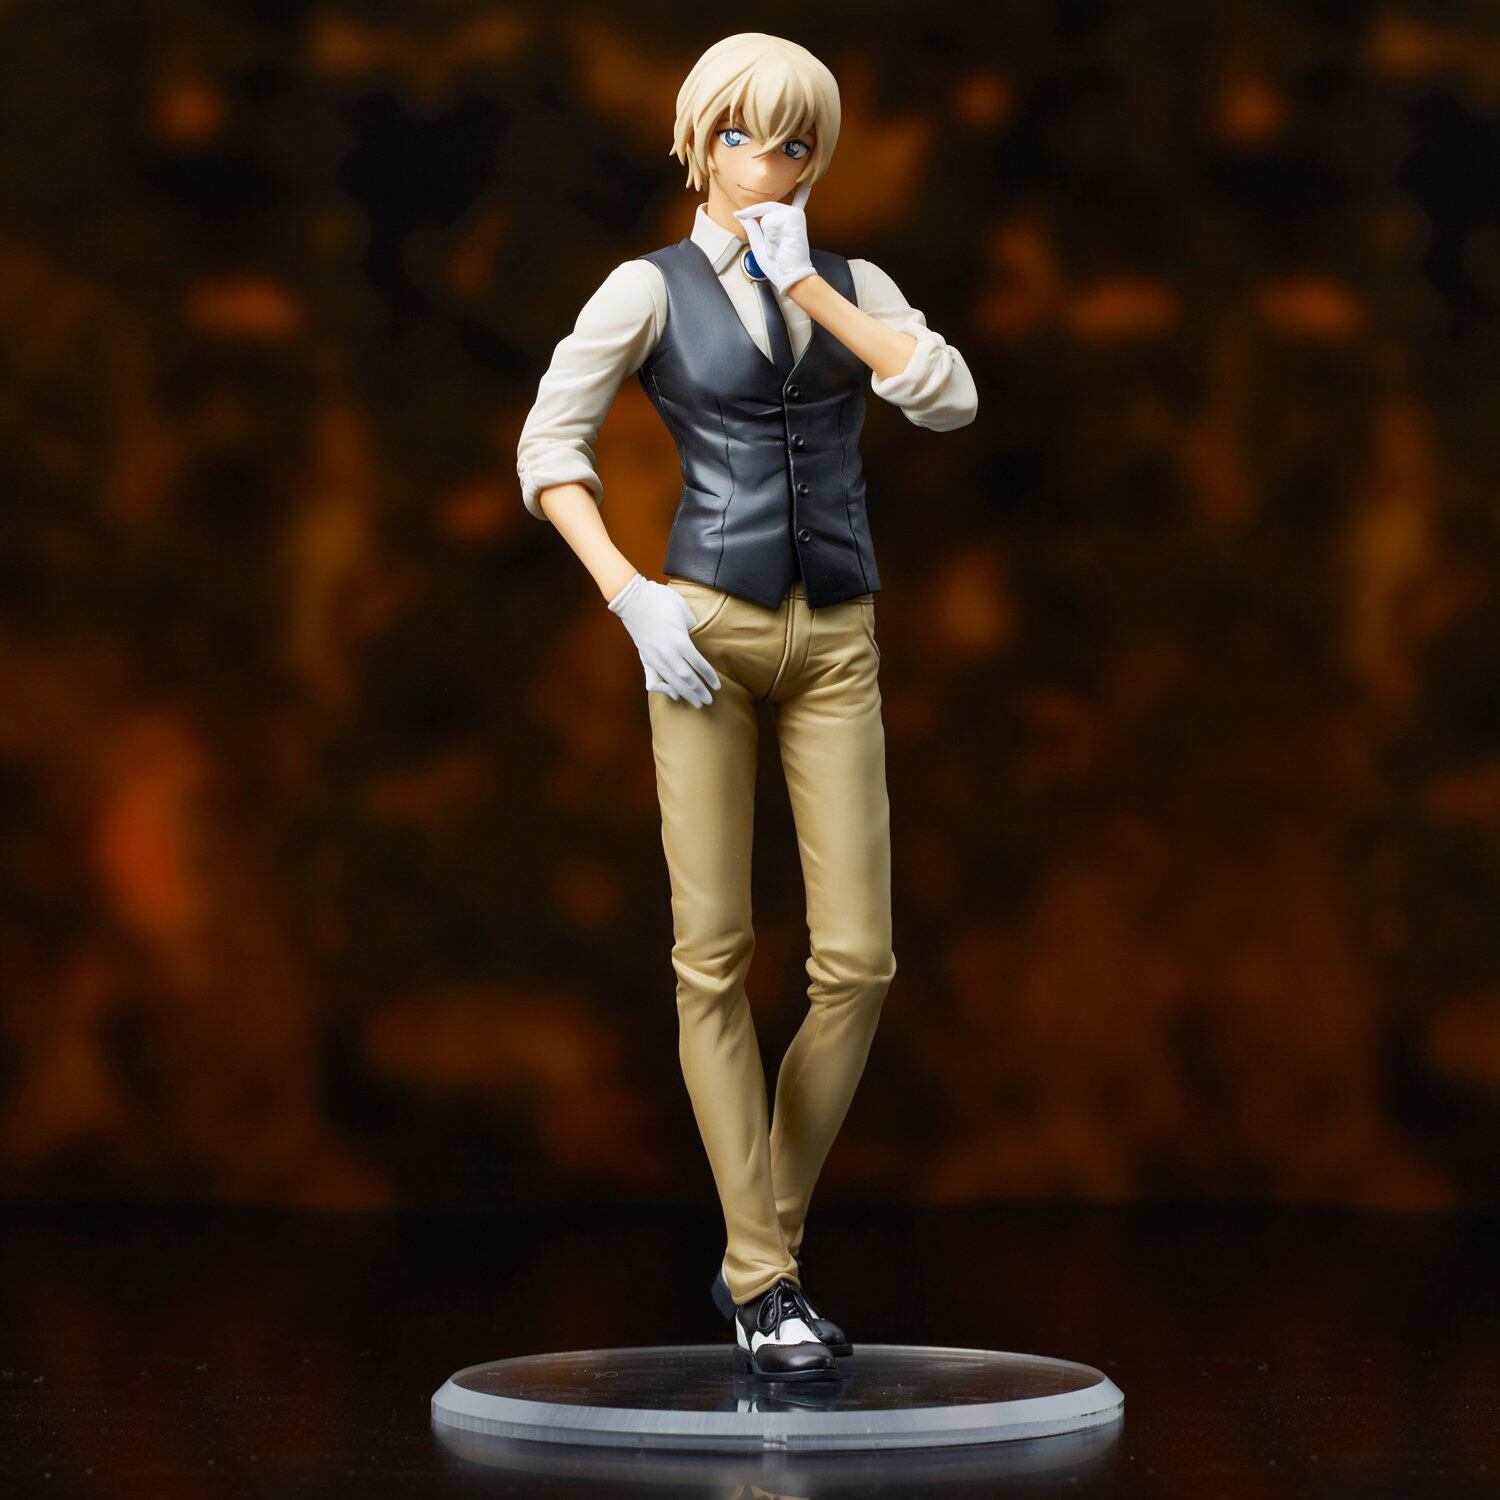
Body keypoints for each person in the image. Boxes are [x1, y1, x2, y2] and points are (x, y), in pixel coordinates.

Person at [517, 31, 977, 1379]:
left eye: (792, 142)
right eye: (738, 136)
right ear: (695, 143)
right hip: (702, 632)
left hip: (836, 635)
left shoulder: (855, 282)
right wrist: (629, 595)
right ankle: (769, 1281)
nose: (765, 165)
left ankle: (749, 1247)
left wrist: (812, 290)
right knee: (711, 956)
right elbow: (549, 445)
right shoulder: (647, 288)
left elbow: (947, 397)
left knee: (859, 964)